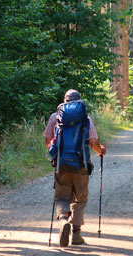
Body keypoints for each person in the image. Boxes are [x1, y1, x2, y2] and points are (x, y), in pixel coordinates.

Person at [43, 89, 106, 247]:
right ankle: (76, 235)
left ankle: (64, 220)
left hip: (61, 165)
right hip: (81, 165)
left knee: (62, 196)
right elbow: (93, 143)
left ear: (64, 101)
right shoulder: (86, 119)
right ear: (79, 102)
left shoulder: (55, 117)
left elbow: (47, 140)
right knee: (80, 198)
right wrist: (101, 150)